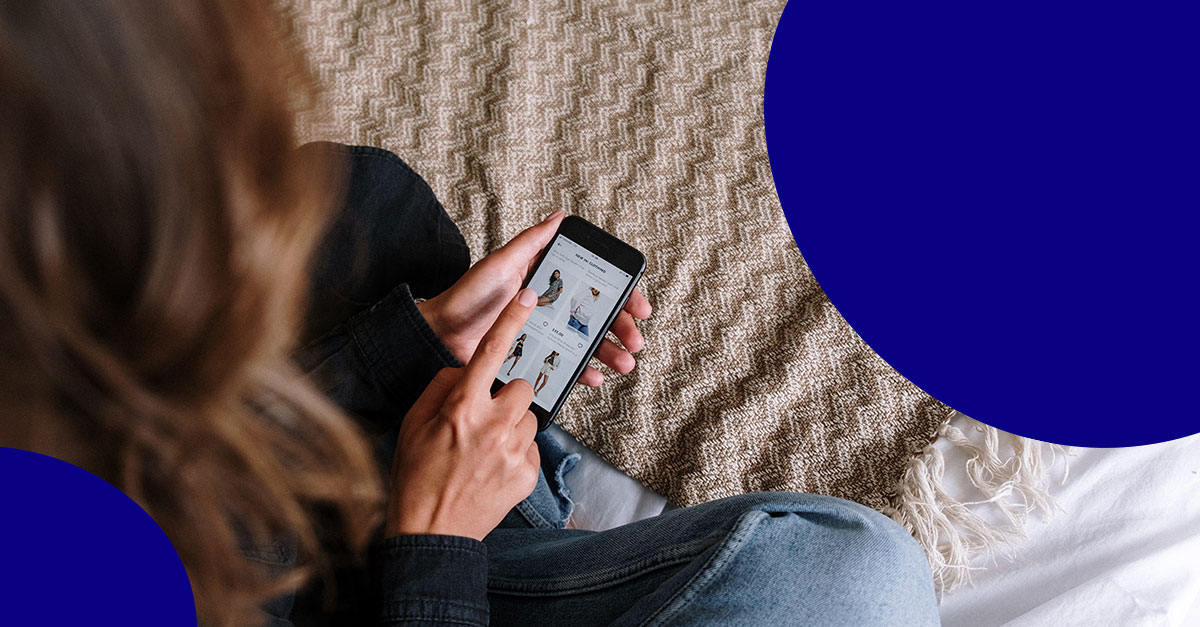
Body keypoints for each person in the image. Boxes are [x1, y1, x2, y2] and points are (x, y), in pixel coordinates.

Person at [0, 2, 941, 626]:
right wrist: (434, 545)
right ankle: (500, 490)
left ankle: (478, 448)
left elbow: (171, 477)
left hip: (279, 503)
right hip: (397, 588)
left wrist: (413, 342)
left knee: (361, 200)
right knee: (857, 581)